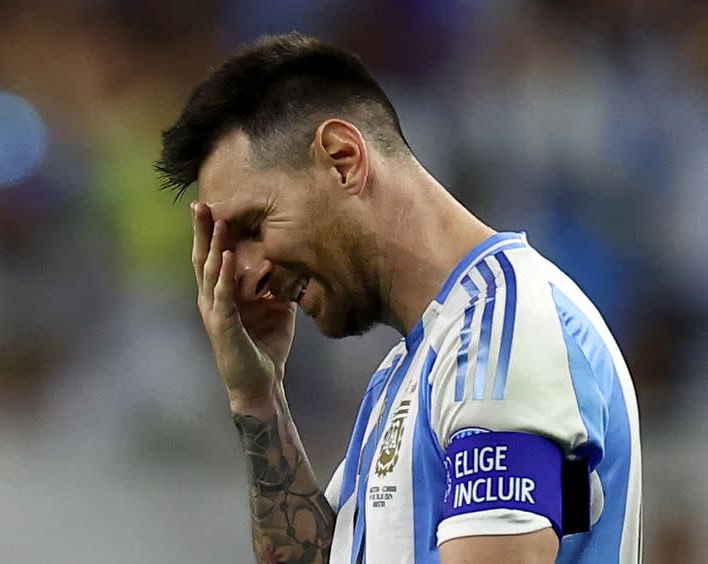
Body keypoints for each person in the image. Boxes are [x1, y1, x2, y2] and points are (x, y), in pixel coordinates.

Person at [156, 32, 641, 564]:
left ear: (344, 159)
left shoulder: (502, 332)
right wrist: (258, 396)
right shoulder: (410, 369)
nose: (243, 274)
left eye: (253, 226)